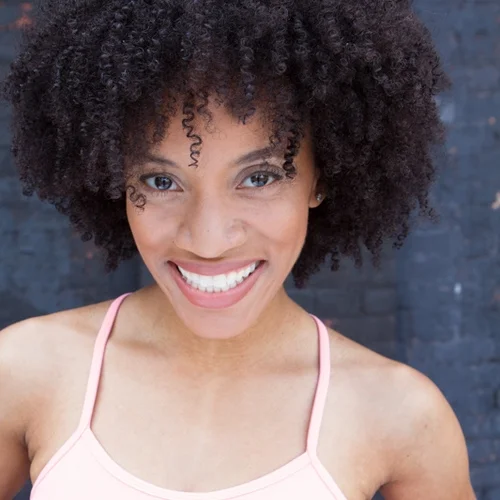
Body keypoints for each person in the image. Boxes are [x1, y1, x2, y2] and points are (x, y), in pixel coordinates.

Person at [0, 0, 476, 499]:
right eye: (161, 181)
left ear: (321, 178)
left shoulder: (402, 417)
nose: (208, 240)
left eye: (259, 178)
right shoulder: (29, 369)